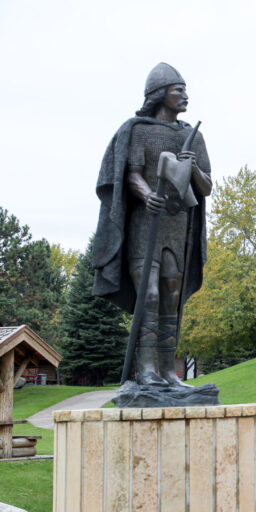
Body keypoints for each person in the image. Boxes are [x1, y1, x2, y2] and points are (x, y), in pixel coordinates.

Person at [92, 63, 212, 387]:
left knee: (171, 296)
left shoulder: (191, 136)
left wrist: (194, 169)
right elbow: (131, 173)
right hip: (146, 224)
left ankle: (170, 374)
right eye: (179, 90)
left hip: (178, 224)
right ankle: (146, 372)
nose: (185, 96)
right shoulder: (137, 129)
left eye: (186, 90)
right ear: (160, 94)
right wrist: (146, 196)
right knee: (149, 293)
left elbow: (207, 185)